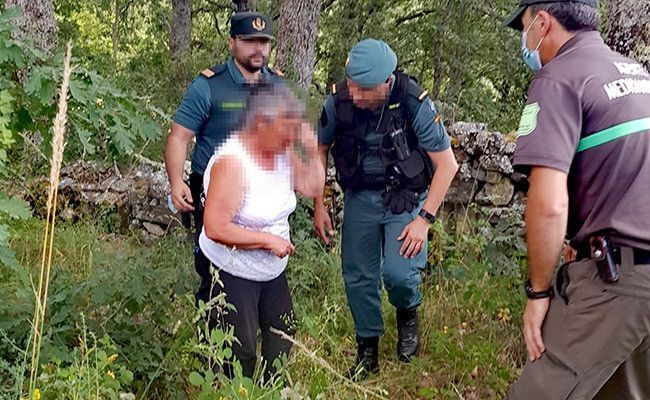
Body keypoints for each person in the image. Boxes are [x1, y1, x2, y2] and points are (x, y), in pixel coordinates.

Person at [503, 0, 650, 398]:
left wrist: (538, 293)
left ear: (542, 22)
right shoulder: (635, 73)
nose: (524, 41)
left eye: (524, 28)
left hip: (617, 282)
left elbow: (549, 204)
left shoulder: (558, 77)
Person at [313, 39, 459, 378]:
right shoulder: (339, 100)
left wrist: (424, 221)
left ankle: (408, 315)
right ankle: (368, 349)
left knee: (399, 274)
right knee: (358, 276)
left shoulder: (412, 101)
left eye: (365, 89)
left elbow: (447, 165)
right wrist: (319, 203)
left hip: (404, 197)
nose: (356, 95)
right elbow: (320, 149)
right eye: (352, 85)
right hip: (360, 197)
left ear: (387, 81)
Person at [200, 83, 325, 381]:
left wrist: (310, 151)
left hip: (272, 270)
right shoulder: (233, 163)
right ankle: (235, 389)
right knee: (240, 344)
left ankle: (270, 387)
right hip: (233, 269)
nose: (290, 138)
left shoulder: (281, 150)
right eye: (285, 131)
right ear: (260, 123)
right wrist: (266, 240)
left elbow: (312, 187)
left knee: (283, 331)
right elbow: (215, 226)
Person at [164, 11, 284, 303]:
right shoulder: (209, 85)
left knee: (262, 259)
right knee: (212, 265)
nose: (258, 49)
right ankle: (210, 323)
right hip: (213, 189)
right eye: (249, 41)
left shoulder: (279, 85)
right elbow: (179, 137)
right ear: (232, 42)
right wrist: (176, 181)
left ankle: (250, 319)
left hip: (261, 192)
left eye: (264, 42)